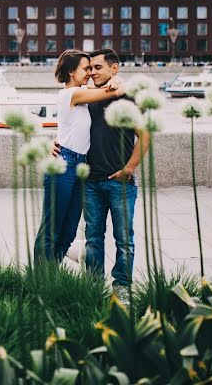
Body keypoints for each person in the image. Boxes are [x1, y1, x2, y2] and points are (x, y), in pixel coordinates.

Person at [33, 50, 125, 264]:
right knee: (52, 228)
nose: (90, 73)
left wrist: (116, 77)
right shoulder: (71, 94)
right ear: (72, 72)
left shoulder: (83, 94)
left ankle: (53, 275)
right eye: (86, 69)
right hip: (64, 164)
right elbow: (112, 92)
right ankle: (40, 279)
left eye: (93, 68)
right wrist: (117, 80)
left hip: (80, 165)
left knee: (70, 229)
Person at [83, 49, 150, 295]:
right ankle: (92, 285)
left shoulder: (128, 98)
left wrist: (129, 168)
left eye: (98, 67)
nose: (92, 72)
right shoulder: (88, 97)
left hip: (120, 183)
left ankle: (122, 286)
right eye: (89, 68)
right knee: (93, 239)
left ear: (114, 69)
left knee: (124, 240)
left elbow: (145, 136)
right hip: (90, 182)